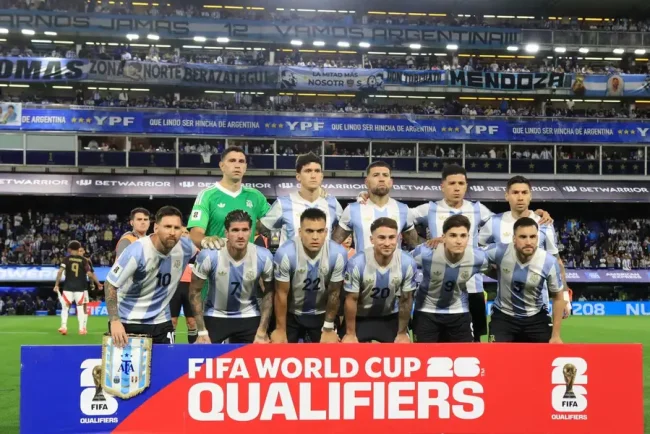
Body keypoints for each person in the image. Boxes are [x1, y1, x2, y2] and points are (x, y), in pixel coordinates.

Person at [411, 164, 552, 341]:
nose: (457, 188)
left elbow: (507, 221)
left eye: (461, 183)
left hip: (472, 285)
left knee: (473, 342)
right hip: (435, 286)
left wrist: (534, 214)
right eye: (452, 183)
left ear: (466, 186)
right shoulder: (429, 209)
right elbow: (401, 221)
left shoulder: (478, 209)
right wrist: (422, 243)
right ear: (442, 186)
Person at [478, 175, 571, 318]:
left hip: (540, 307)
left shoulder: (544, 224)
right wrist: (496, 272)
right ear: (507, 196)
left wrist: (565, 297)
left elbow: (557, 262)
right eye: (515, 192)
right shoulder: (494, 223)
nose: (520, 197)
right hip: (505, 309)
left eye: (524, 192)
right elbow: (477, 254)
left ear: (530, 196)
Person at [105, 206, 198, 347]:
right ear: (156, 228)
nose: (172, 232)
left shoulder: (186, 247)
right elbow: (110, 284)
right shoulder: (136, 251)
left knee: (167, 360)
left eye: (177, 228)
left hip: (162, 321)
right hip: (128, 321)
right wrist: (115, 321)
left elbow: (210, 245)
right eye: (167, 227)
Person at [189, 210, 274, 344]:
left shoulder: (263, 256)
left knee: (261, 354)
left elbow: (269, 293)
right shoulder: (210, 255)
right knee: (202, 353)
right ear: (226, 233)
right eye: (235, 230)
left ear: (250, 232)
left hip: (249, 315)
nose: (240, 235)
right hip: (215, 314)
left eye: (245, 230)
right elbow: (194, 292)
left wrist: (262, 330)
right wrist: (202, 331)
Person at [271, 208, 348, 344]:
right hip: (291, 313)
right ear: (300, 232)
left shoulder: (338, 253)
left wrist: (328, 328)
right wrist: (280, 329)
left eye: (320, 231)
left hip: (322, 313)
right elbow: (281, 294)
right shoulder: (286, 253)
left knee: (329, 352)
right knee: (280, 349)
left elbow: (334, 293)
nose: (315, 237)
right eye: (309, 231)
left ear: (326, 232)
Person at [411, 215, 490, 343]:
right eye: (453, 235)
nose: (458, 241)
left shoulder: (478, 258)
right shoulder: (425, 253)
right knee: (424, 354)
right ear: (443, 237)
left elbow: (498, 266)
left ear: (468, 238)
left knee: (464, 355)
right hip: (426, 312)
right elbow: (403, 264)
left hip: (459, 313)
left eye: (463, 236)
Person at [486, 217, 565, 343]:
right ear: (514, 239)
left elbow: (558, 298)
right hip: (503, 316)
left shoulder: (549, 262)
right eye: (523, 237)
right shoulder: (499, 251)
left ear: (537, 238)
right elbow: (474, 257)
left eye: (532, 237)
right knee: (496, 354)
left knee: (546, 354)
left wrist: (556, 336)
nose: (528, 242)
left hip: (535, 317)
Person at [341, 217, 417, 343]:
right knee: (346, 348)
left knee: (402, 349)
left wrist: (402, 333)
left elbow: (406, 300)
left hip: (390, 316)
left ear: (398, 238)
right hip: (360, 317)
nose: (387, 243)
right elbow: (351, 299)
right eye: (381, 238)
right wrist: (350, 333)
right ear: (372, 240)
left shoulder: (407, 262)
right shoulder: (357, 263)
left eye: (391, 237)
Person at [187, 146, 270, 251]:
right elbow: (195, 232)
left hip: (247, 259)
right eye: (232, 161)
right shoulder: (207, 195)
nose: (237, 165)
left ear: (245, 167)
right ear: (222, 166)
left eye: (241, 161)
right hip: (216, 258)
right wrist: (205, 240)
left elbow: (272, 220)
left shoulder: (256, 196)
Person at [259, 153, 342, 245]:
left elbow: (345, 229)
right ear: (298, 176)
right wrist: (279, 244)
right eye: (308, 171)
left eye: (317, 171)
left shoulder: (332, 203)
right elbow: (263, 228)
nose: (313, 175)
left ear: (322, 176)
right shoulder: (283, 204)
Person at [333, 161, 419, 250]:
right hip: (363, 259)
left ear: (391, 182)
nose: (381, 179)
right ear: (366, 182)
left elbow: (416, 247)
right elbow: (333, 246)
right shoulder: (352, 210)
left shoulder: (404, 210)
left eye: (385, 175)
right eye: (376, 175)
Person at [54, 241, 102, 335]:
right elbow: (89, 274)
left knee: (65, 308)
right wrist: (97, 283)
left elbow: (60, 272)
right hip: (80, 288)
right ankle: (81, 329)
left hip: (68, 287)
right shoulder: (84, 260)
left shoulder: (66, 259)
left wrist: (56, 284)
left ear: (69, 249)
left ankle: (64, 327)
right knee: (80, 308)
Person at [169, 227, 198, 343]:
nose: (184, 235)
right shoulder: (171, 249)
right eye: (182, 233)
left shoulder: (197, 250)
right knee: (173, 321)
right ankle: (170, 349)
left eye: (186, 232)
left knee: (192, 322)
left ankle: (193, 349)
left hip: (191, 288)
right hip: (174, 288)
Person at [77, 246, 94, 332]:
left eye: (81, 251)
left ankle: (84, 327)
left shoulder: (87, 261)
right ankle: (64, 325)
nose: (80, 252)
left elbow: (91, 274)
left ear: (84, 252)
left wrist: (92, 283)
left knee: (84, 307)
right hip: (74, 287)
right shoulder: (72, 261)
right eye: (78, 251)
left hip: (83, 287)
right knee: (77, 307)